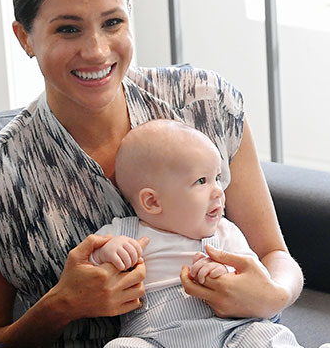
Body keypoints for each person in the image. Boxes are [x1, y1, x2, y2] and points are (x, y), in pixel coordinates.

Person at [0, 0, 303, 347]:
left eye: (113, 22)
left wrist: (273, 295)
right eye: (68, 29)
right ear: (25, 38)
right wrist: (61, 305)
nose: (97, 51)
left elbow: (274, 254)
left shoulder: (205, 104)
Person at [90, 119, 303, 348]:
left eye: (217, 178)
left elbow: (257, 278)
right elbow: (87, 265)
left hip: (231, 333)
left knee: (266, 337)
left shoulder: (224, 232)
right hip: (155, 338)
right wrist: (107, 253)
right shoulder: (124, 233)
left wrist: (225, 272)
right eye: (201, 181)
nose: (218, 191)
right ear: (152, 201)